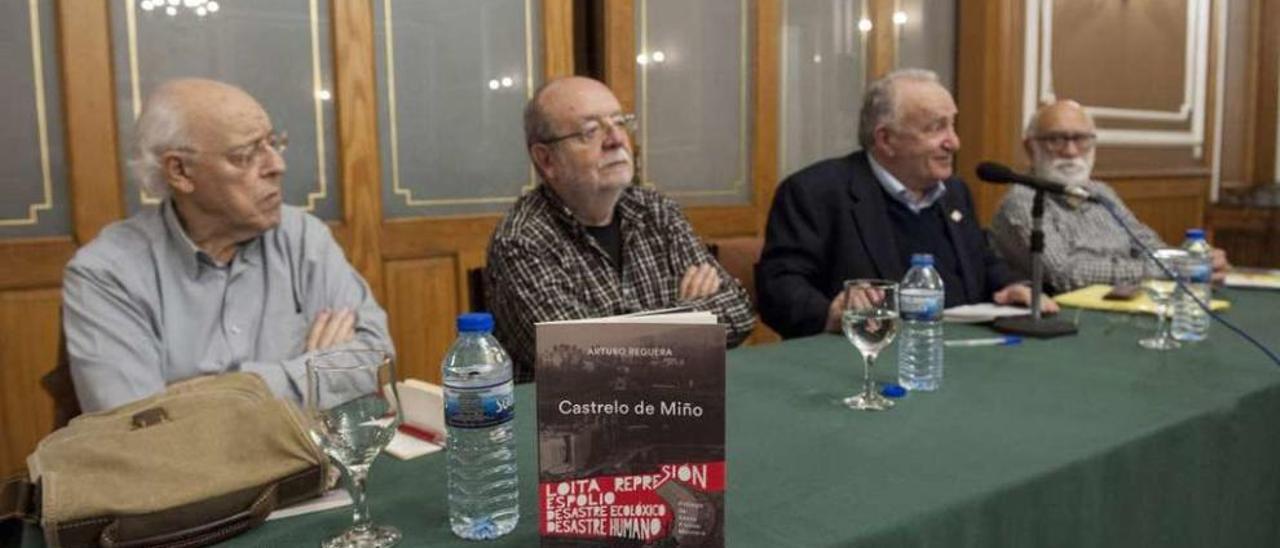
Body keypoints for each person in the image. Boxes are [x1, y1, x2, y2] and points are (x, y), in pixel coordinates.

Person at [63, 78, 392, 412]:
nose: (277, 165)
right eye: (246, 155)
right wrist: (313, 373)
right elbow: (136, 426)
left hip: (309, 461)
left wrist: (227, 391)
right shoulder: (106, 273)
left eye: (273, 143)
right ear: (180, 171)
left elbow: (375, 361)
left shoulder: (303, 237)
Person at [486, 76, 754, 381]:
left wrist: (620, 336)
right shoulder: (522, 240)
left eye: (620, 123)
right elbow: (577, 360)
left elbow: (738, 310)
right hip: (575, 418)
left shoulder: (655, 211)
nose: (616, 140)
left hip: (673, 405)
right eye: (590, 131)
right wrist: (691, 314)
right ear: (547, 160)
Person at [757, 68, 1055, 339]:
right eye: (936, 128)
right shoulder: (816, 192)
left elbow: (983, 261)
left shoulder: (954, 192)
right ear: (886, 139)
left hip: (964, 352)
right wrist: (831, 311)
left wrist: (1012, 287)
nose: (954, 142)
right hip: (864, 361)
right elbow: (778, 288)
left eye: (952, 125)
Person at [990, 99, 1230, 293]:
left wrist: (1192, 261)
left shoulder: (1102, 193)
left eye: (1081, 139)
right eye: (1056, 139)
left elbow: (1148, 245)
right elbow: (1064, 274)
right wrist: (1171, 269)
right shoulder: (1022, 201)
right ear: (1030, 147)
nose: (1071, 151)